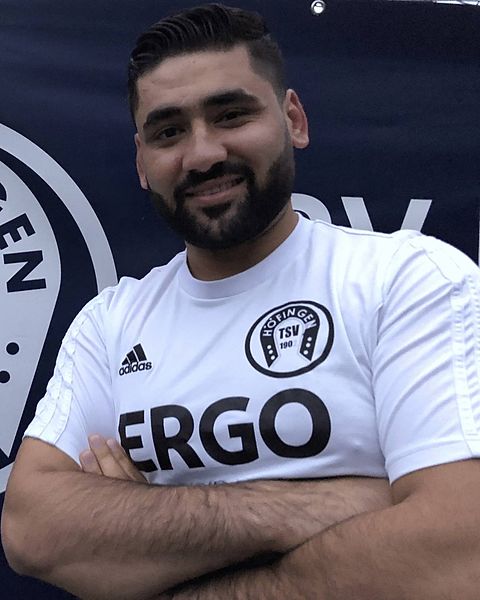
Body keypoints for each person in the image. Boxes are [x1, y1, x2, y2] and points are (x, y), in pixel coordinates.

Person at [2, 3, 480, 599]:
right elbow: (33, 529)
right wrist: (323, 506)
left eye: (230, 115)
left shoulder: (406, 280)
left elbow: (457, 554)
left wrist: (147, 528)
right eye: (169, 131)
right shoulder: (111, 323)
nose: (203, 155)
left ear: (293, 120)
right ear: (142, 163)